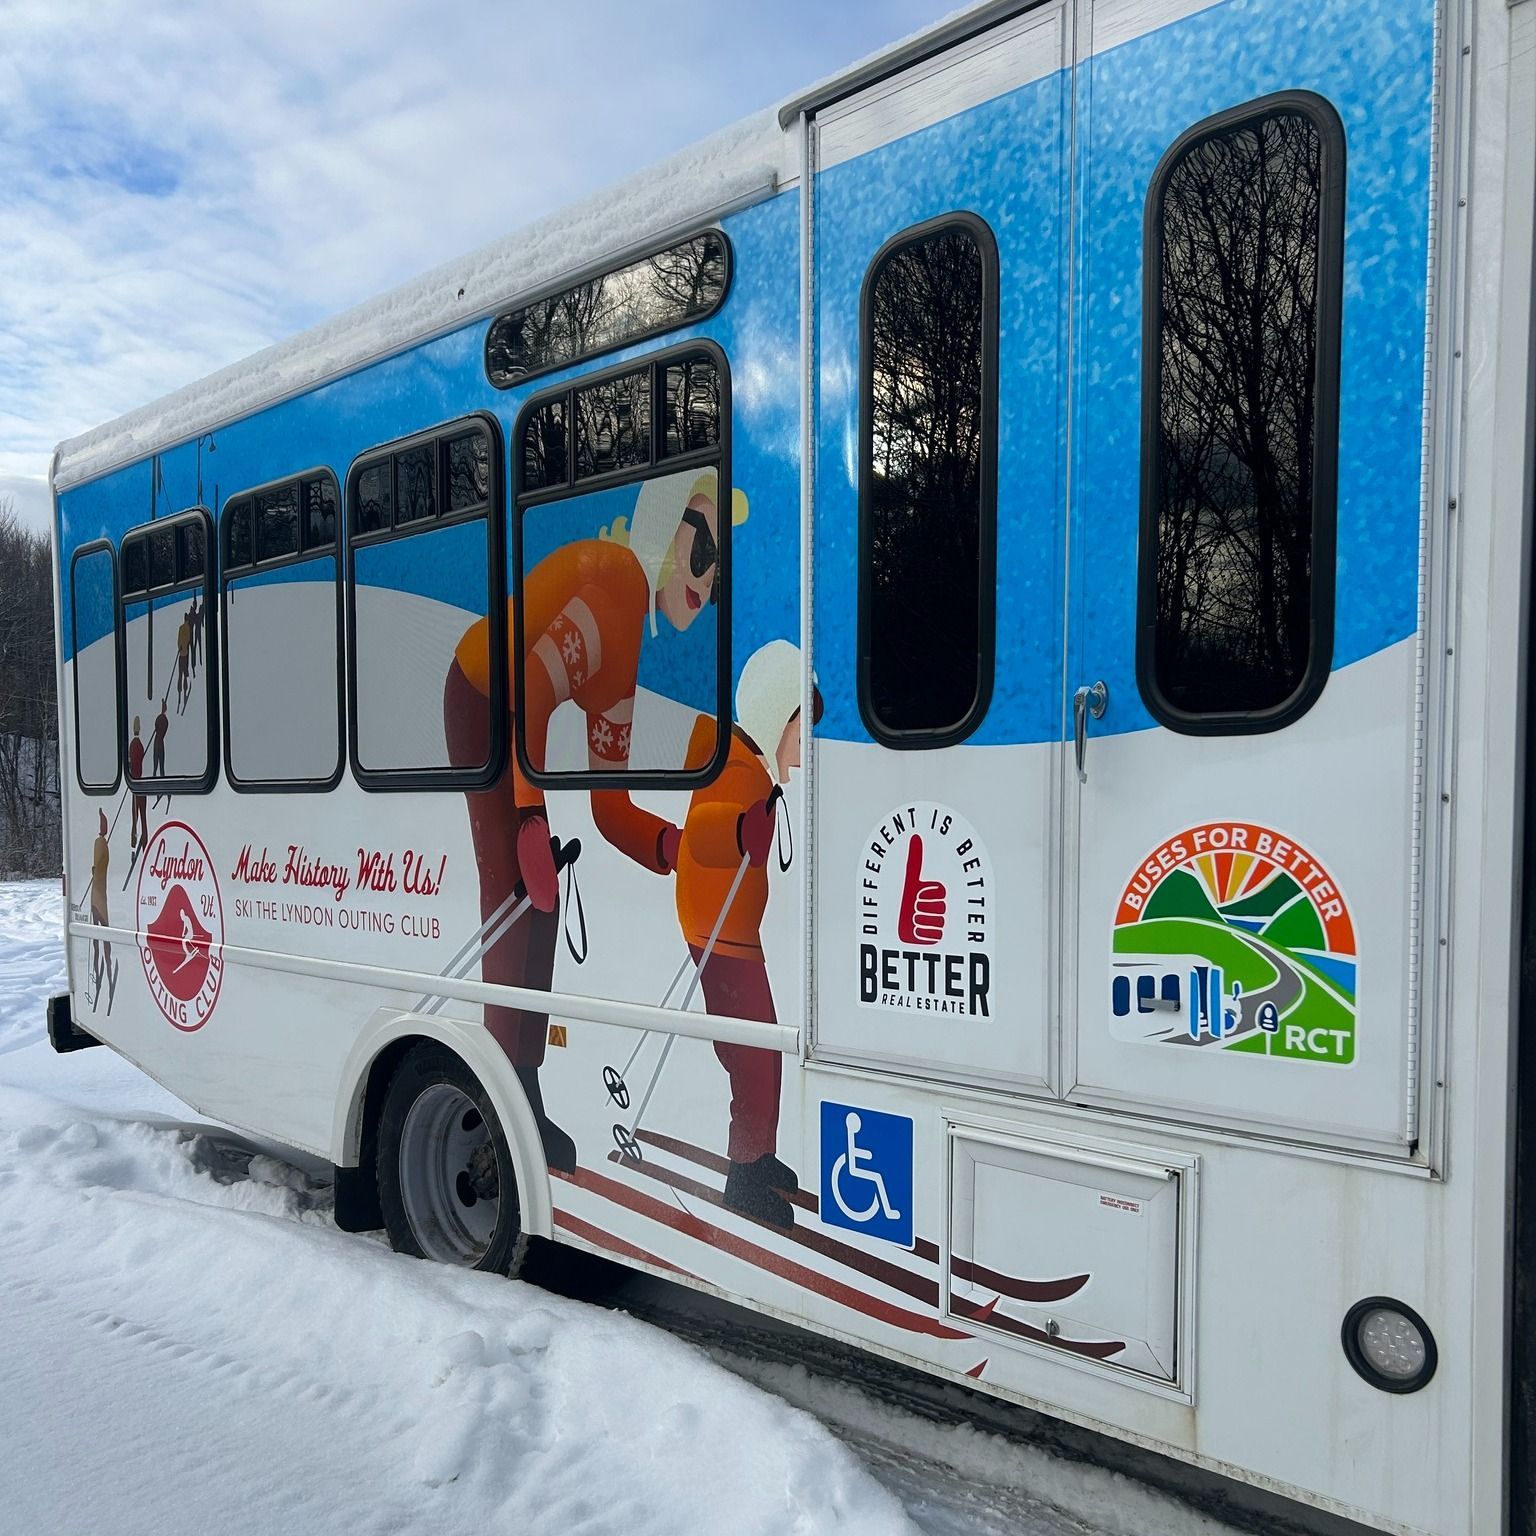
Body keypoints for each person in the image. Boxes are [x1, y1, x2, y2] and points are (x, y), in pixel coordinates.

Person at [445, 468, 746, 1173]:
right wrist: (527, 823)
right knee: (513, 900)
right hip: (481, 692)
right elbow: (528, 688)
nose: (708, 583)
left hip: (517, 718)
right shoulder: (612, 584)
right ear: (665, 529)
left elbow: (610, 809)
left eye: (719, 574)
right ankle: (501, 1109)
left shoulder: (625, 657)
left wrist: (675, 847)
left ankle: (524, 1093)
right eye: (702, 553)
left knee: (542, 908)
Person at [673, 639, 818, 1227]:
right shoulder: (731, 767)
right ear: (773, 715)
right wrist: (740, 828)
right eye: (799, 733)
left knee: (763, 1053)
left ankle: (757, 1158)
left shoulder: (753, 769)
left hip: (734, 932)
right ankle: (743, 1177)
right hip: (717, 933)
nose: (803, 752)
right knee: (751, 1056)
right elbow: (701, 830)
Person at [89, 809, 113, 1010]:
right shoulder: (103, 844)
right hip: (100, 900)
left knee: (98, 942)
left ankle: (100, 977)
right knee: (103, 943)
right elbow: (101, 866)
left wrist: (94, 871)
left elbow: (96, 867)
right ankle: (105, 975)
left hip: (96, 899)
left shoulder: (99, 843)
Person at [127, 716, 148, 853]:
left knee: (135, 816)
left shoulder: (132, 745)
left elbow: (130, 763)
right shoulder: (140, 744)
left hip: (135, 784)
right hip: (141, 783)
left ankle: (134, 840)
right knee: (143, 815)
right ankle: (144, 838)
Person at [175, 612, 192, 712]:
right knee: (184, 674)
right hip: (185, 654)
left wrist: (180, 648)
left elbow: (178, 640)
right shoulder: (187, 628)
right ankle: (184, 692)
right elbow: (188, 639)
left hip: (181, 653)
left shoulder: (181, 628)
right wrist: (184, 647)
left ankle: (180, 694)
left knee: (180, 674)